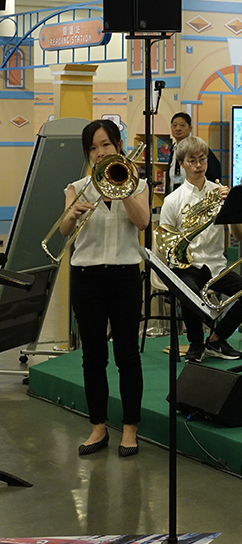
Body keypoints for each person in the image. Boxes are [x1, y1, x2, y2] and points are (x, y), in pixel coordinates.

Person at [63, 119, 150, 457]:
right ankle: (98, 426)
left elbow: (142, 222)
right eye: (93, 148)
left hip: (125, 274)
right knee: (93, 356)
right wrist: (73, 213)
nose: (99, 153)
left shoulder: (138, 184)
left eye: (105, 145)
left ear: (118, 146)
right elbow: (64, 230)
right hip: (86, 276)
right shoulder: (76, 187)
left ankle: (130, 428)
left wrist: (122, 188)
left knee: (127, 354)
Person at [159, 136, 242, 363]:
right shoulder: (173, 200)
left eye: (202, 159)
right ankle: (196, 343)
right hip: (187, 265)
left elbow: (239, 236)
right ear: (182, 164)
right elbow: (166, 241)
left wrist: (231, 207)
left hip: (215, 265)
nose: (198, 165)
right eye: (192, 161)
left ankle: (216, 339)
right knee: (189, 291)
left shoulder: (220, 192)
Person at [165, 112, 222, 194]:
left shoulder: (199, 149)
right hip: (176, 196)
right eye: (174, 125)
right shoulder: (173, 149)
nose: (178, 128)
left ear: (190, 128)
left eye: (182, 125)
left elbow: (214, 173)